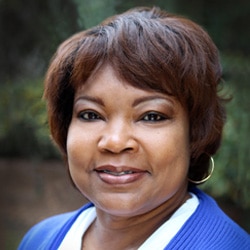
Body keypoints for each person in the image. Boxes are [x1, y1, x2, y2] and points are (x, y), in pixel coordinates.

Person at [18, 6, 249, 250]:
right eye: (90, 114)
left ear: (195, 134)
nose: (115, 142)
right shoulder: (39, 240)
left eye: (151, 116)